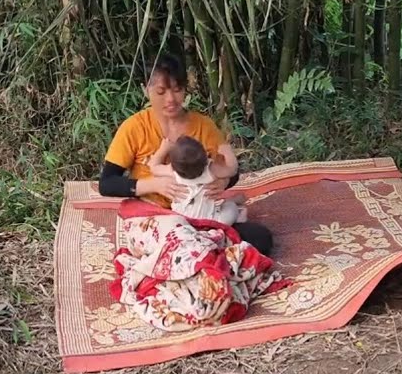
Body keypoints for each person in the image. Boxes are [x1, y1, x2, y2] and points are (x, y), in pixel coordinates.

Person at [98, 54, 273, 255]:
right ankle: (199, 250)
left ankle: (194, 251)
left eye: (177, 90)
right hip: (156, 217)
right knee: (178, 239)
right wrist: (154, 185)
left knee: (260, 239)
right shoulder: (133, 127)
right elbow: (107, 183)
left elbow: (231, 171)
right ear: (145, 90)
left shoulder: (203, 125)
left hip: (201, 214)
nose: (171, 99)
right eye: (161, 92)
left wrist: (223, 184)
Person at [148, 135, 247, 225]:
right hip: (212, 221)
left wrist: (163, 149)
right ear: (206, 160)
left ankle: (230, 204)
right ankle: (238, 213)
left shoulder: (173, 173)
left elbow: (153, 167)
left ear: (173, 166)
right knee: (230, 208)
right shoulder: (210, 171)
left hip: (183, 222)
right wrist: (227, 151)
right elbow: (232, 170)